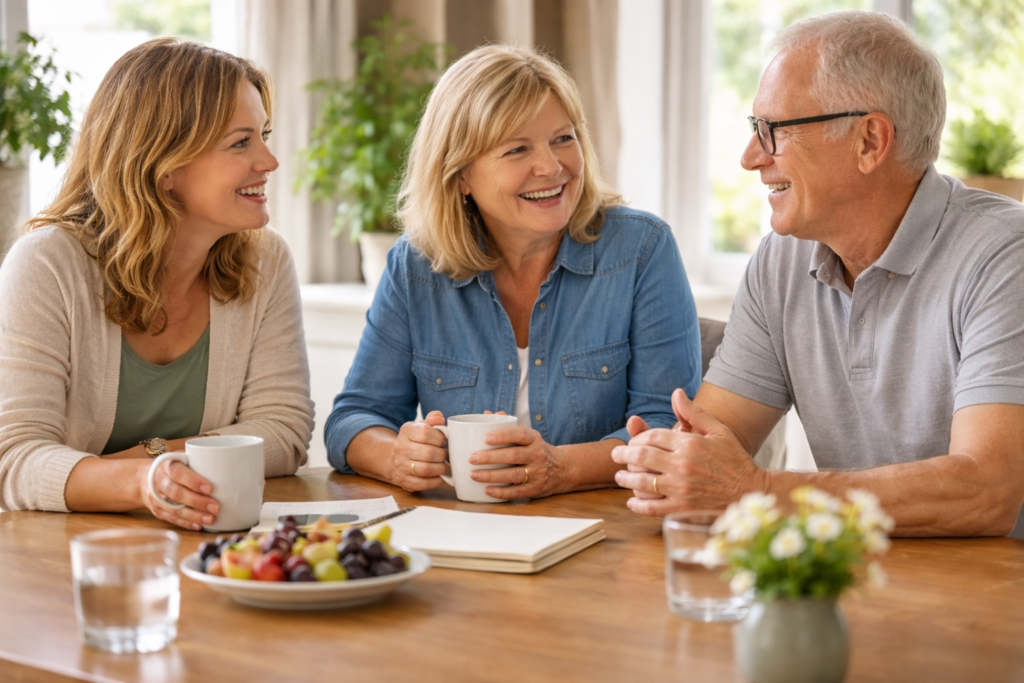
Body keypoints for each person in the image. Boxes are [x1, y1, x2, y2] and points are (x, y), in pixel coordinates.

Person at [613, 10, 1024, 537]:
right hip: (847, 576)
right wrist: (669, 461)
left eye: (772, 131)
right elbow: (712, 441)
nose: (749, 158)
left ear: (870, 141)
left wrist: (759, 492)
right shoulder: (780, 260)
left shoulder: (1003, 254)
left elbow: (989, 491)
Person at [325, 45, 701, 499]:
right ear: (460, 174)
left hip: (606, 535)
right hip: (468, 535)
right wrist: (395, 456)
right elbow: (353, 418)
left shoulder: (641, 250)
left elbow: (668, 427)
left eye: (563, 138)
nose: (551, 166)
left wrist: (561, 468)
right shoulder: (415, 266)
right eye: (518, 148)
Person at [0, 39, 314, 530]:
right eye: (241, 142)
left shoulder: (265, 260)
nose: (269, 162)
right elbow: (14, 459)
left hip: (203, 541)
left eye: (264, 136)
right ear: (164, 166)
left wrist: (158, 459)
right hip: (67, 559)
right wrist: (144, 483)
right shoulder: (47, 265)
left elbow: (283, 432)